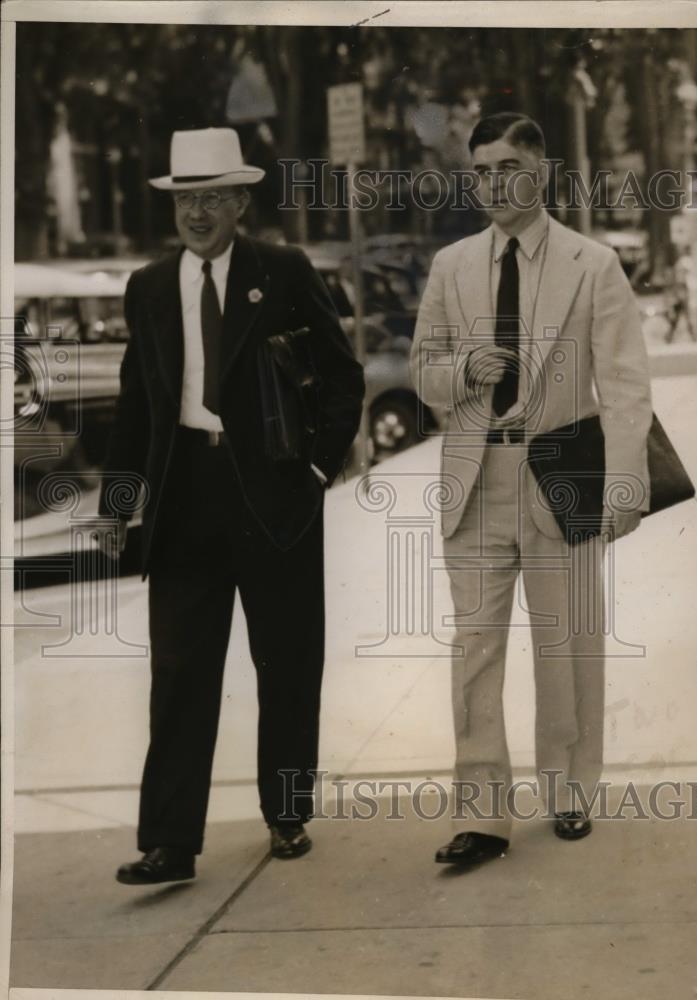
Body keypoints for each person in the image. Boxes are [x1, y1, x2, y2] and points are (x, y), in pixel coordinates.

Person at [97, 127, 364, 884]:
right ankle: (170, 843)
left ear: (241, 202)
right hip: (183, 500)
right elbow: (134, 409)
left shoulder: (281, 271)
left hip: (274, 497)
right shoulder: (149, 288)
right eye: (187, 198)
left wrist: (313, 471)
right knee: (180, 673)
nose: (199, 212)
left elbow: (342, 379)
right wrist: (121, 504)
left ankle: (286, 816)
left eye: (214, 196)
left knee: (285, 663)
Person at [410, 112, 652, 866]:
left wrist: (623, 485)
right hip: (474, 476)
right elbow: (422, 369)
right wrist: (459, 374)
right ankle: (481, 815)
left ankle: (569, 791)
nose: (491, 183)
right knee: (474, 650)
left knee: (567, 645)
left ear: (539, 171)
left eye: (507, 166)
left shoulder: (592, 264)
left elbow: (622, 384)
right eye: (479, 170)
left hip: (563, 472)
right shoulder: (450, 266)